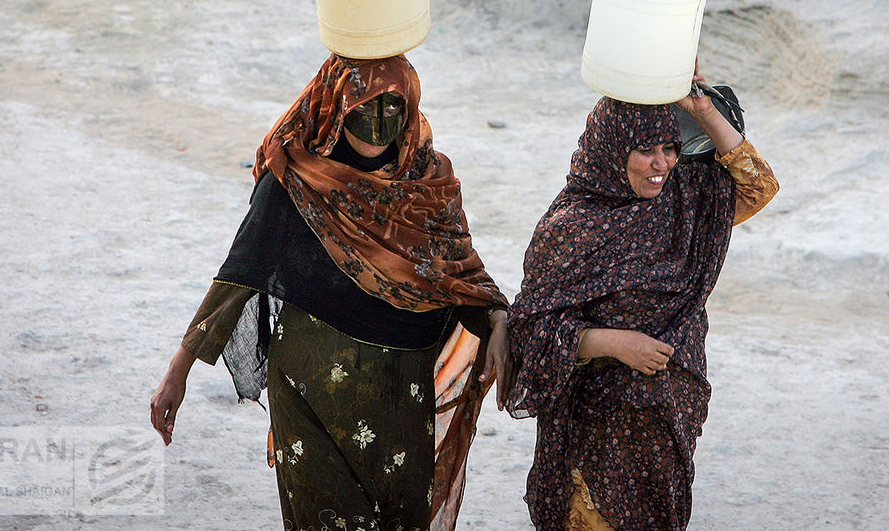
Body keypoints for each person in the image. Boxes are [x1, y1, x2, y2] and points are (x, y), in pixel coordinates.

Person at [150, 54, 510, 531]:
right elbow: (240, 274)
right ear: (337, 106)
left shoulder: (428, 184)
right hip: (311, 395)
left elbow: (459, 278)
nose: (380, 125)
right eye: (365, 107)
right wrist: (179, 370)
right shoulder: (299, 179)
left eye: (393, 108)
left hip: (402, 400)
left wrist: (498, 320)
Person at [504, 72, 779, 531]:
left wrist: (704, 111)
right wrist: (614, 343)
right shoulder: (570, 228)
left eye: (670, 148)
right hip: (595, 438)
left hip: (667, 426)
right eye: (646, 149)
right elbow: (529, 332)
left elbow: (759, 186)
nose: (662, 163)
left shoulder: (687, 206)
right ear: (613, 148)